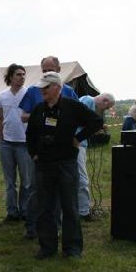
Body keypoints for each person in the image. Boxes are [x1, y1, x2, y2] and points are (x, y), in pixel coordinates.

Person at [26, 73, 103, 260]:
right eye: (41, 87)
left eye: (46, 87)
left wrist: (78, 138)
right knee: (45, 207)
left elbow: (96, 121)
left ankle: (72, 249)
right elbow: (30, 134)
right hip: (44, 165)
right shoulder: (39, 109)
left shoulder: (72, 106)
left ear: (57, 87)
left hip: (66, 163)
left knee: (69, 206)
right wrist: (34, 153)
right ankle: (47, 247)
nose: (42, 90)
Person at [18, 56, 79, 239]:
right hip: (40, 149)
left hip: (62, 152)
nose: (47, 72)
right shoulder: (33, 90)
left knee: (60, 191)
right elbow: (23, 116)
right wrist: (42, 116)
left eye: (50, 69)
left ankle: (56, 227)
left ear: (59, 70)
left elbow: (80, 116)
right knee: (36, 188)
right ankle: (32, 226)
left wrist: (77, 138)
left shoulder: (68, 91)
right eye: (44, 70)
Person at [0, 63, 32, 223]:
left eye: (23, 74)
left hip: (24, 143)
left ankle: (25, 211)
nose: (22, 77)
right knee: (10, 181)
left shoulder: (29, 93)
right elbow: (0, 118)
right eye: (18, 74)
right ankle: (12, 212)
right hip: (7, 144)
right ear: (10, 77)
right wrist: (0, 138)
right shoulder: (2, 96)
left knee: (26, 181)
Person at [76, 93, 115, 220]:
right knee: (82, 179)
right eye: (106, 107)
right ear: (105, 101)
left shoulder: (87, 100)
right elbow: (78, 119)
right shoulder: (88, 101)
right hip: (77, 144)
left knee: (78, 178)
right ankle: (83, 212)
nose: (104, 110)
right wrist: (97, 126)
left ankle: (79, 209)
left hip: (79, 143)